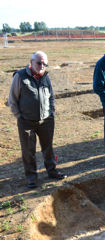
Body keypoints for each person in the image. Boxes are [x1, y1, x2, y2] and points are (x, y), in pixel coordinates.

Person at [8, 51, 66, 188]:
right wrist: (19, 116)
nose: (42, 66)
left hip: (46, 121)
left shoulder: (46, 77)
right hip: (26, 122)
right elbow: (12, 99)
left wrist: (51, 113)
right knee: (28, 151)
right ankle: (32, 178)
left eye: (45, 63)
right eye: (39, 63)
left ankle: (52, 172)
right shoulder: (20, 76)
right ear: (31, 62)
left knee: (48, 148)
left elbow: (51, 96)